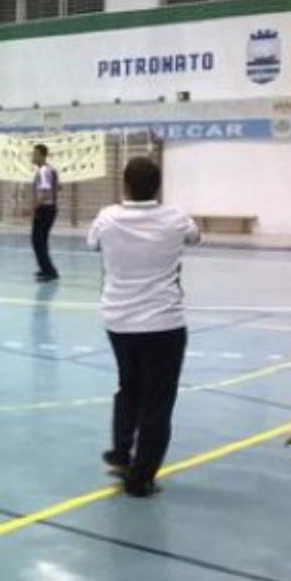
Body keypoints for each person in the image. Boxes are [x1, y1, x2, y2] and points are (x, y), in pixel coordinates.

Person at [87, 156, 200, 497]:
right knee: (157, 402)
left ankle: (122, 450)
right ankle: (141, 477)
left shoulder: (107, 218)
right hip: (164, 322)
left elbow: (91, 244)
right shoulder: (176, 217)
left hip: (119, 321)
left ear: (125, 185)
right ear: (158, 186)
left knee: (129, 386)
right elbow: (196, 237)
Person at [31, 143, 60, 282]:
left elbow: (45, 193)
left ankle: (50, 272)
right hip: (50, 209)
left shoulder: (43, 171)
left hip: (45, 209)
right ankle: (46, 269)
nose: (33, 156)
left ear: (42, 156)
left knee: (38, 241)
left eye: (35, 154)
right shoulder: (50, 170)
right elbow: (58, 187)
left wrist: (32, 208)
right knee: (40, 241)